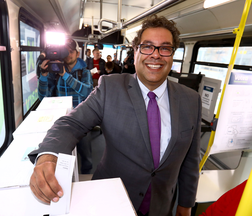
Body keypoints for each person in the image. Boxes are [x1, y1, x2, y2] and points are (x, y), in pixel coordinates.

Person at [29, 14, 201, 216]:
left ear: (172, 54)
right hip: (110, 200)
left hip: (161, 204)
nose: (156, 55)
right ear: (135, 51)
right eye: (147, 46)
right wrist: (48, 156)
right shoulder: (111, 87)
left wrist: (185, 205)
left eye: (165, 48)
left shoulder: (191, 100)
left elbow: (191, 159)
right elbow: (72, 123)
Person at [37, 38, 94, 174]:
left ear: (77, 54)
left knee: (85, 150)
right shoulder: (54, 71)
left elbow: (86, 91)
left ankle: (87, 171)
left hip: (81, 118)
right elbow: (43, 98)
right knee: (63, 153)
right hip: (62, 118)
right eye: (66, 51)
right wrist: (44, 76)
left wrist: (65, 75)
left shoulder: (84, 72)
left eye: (71, 52)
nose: (68, 55)